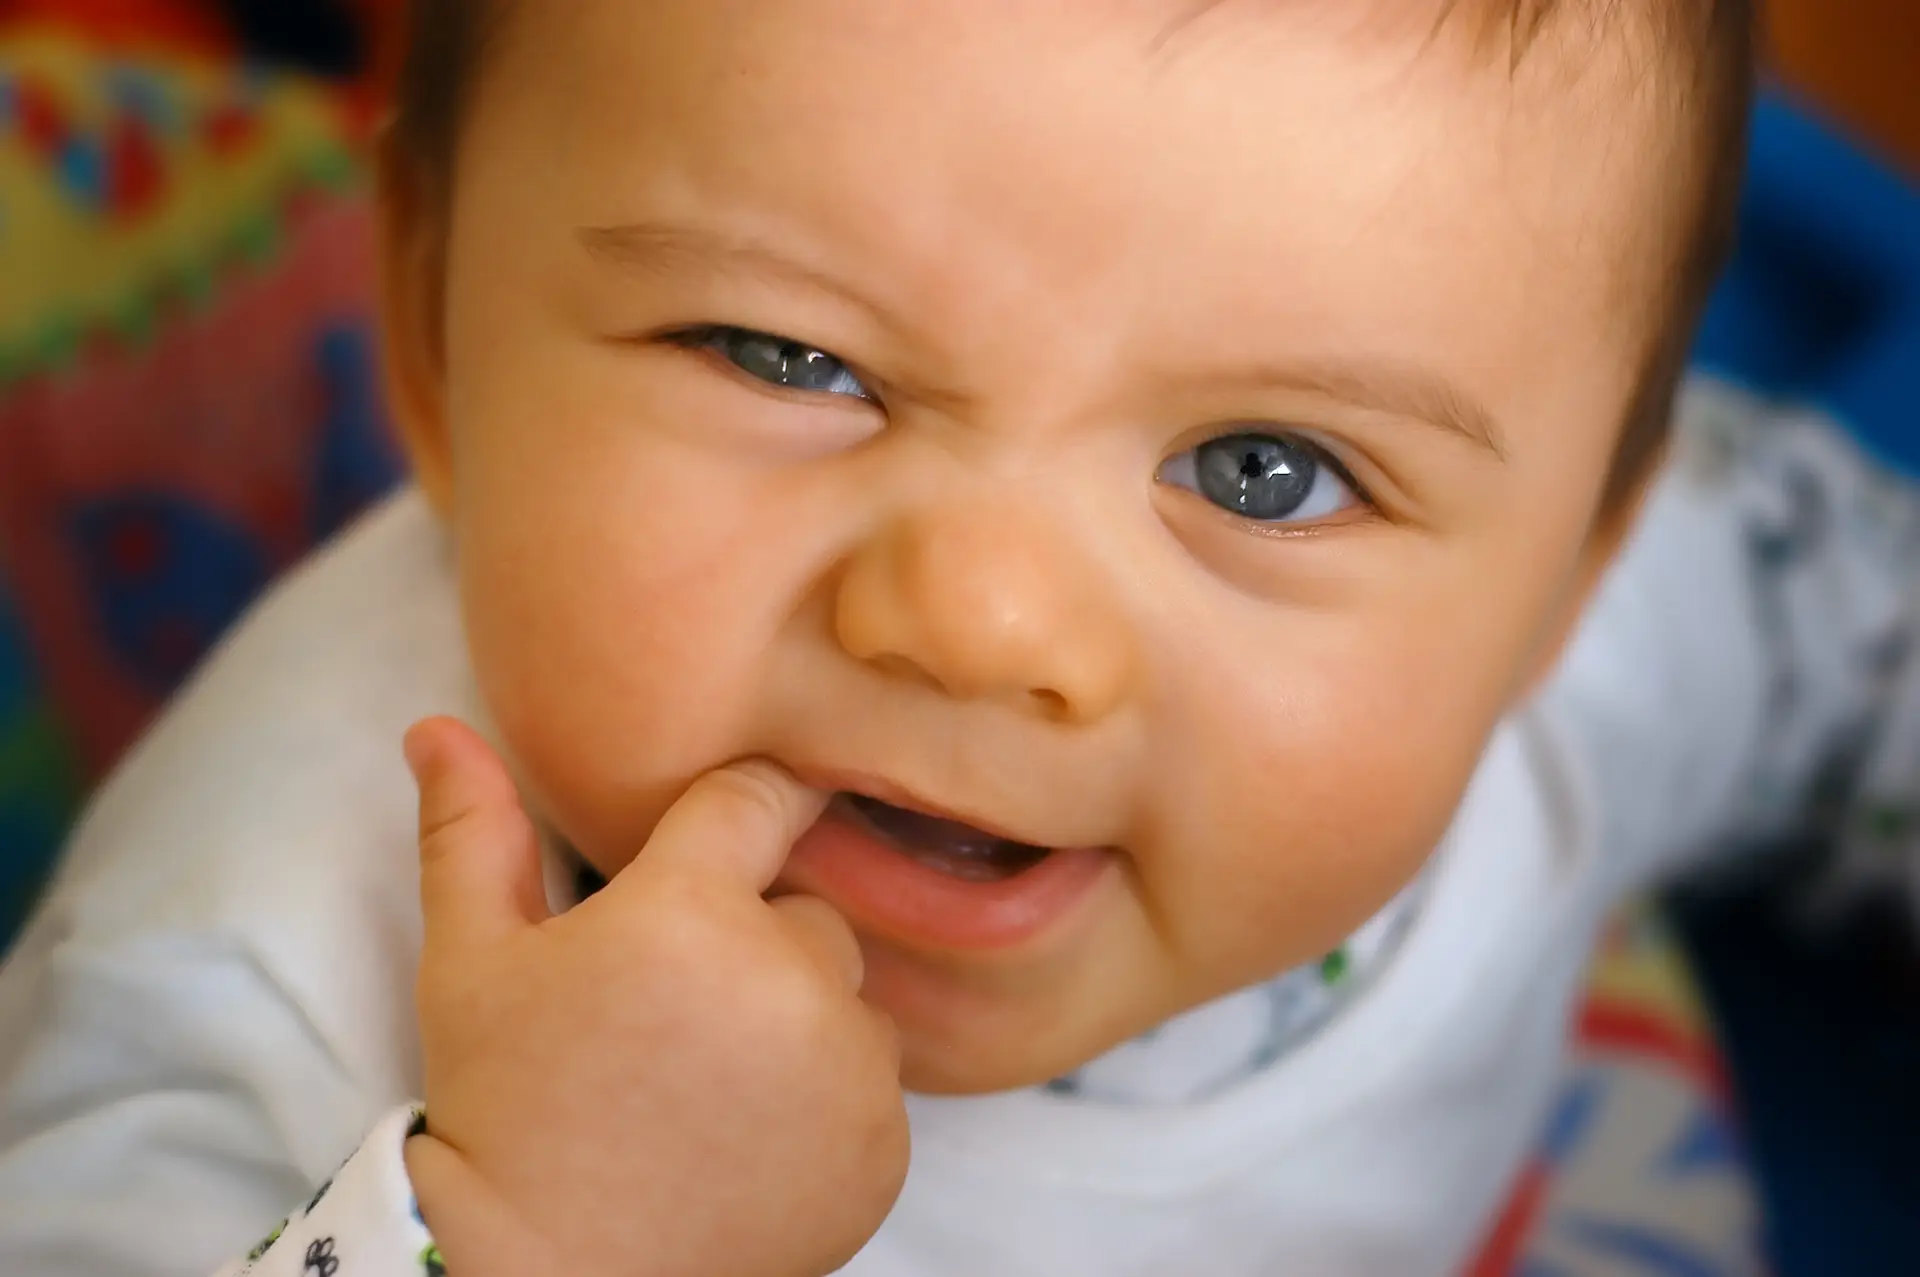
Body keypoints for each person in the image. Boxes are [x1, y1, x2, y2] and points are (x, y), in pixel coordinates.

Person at [4, 1, 1916, 1273]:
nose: (988, 626)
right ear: (425, 326)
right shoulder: (260, 966)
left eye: (1263, 471)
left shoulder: (1612, 637)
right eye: (791, 358)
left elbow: (1845, 647)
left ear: (1575, 564)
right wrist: (539, 1237)